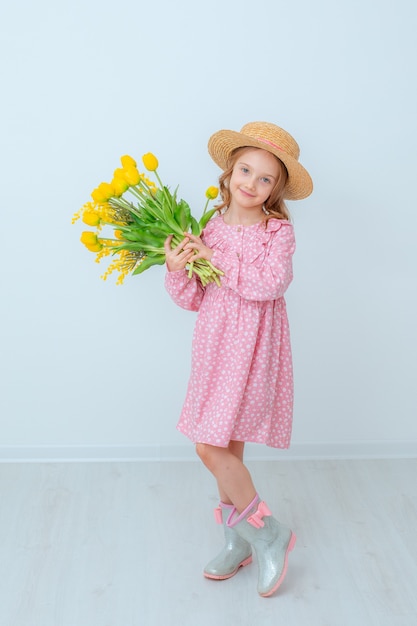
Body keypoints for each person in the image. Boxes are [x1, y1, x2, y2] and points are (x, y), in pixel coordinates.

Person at [164, 121, 313, 597]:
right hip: (213, 348)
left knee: (212, 449)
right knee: (223, 449)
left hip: (251, 352)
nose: (251, 183)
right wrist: (177, 269)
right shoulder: (211, 226)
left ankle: (269, 534)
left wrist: (215, 257)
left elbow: (270, 284)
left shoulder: (278, 232)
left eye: (264, 178)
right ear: (228, 174)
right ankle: (241, 541)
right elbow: (193, 297)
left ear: (276, 189)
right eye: (245, 170)